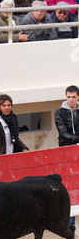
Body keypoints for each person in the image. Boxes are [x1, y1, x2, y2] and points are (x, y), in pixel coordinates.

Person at [54, 85, 79, 226]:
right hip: (66, 151)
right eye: (68, 97)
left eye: (73, 97)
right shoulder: (59, 112)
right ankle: (70, 220)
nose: (71, 100)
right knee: (69, 183)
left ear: (78, 97)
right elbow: (63, 133)